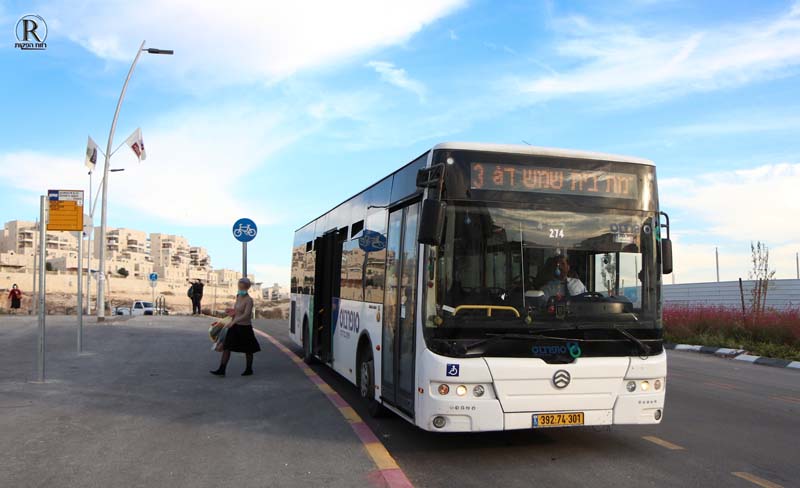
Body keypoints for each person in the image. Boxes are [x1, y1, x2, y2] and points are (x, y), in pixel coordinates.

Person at [210, 278, 261, 377]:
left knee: (248, 349)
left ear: (247, 288)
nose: (240, 290)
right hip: (235, 326)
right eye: (239, 287)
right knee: (227, 347)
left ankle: (249, 369)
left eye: (242, 288)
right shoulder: (238, 296)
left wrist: (234, 321)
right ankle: (222, 369)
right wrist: (230, 311)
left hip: (245, 327)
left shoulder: (249, 300)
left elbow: (246, 315)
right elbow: (237, 310)